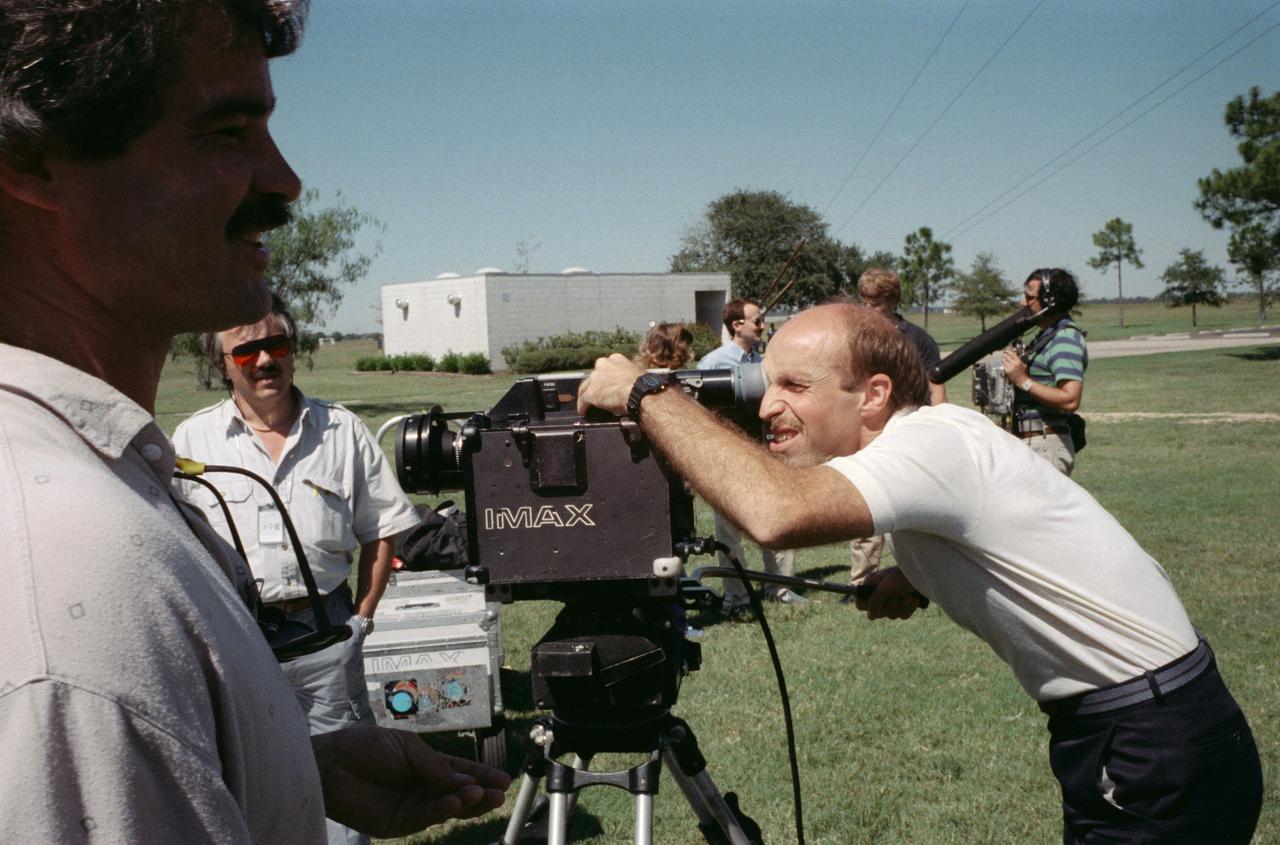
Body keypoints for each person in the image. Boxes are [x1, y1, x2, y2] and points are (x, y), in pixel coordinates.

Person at [0, 2, 508, 842]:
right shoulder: (70, 563)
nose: (283, 181)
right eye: (225, 131)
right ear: (31, 160)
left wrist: (289, 769)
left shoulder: (103, 474)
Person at [577, 303, 1262, 843]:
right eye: (767, 382)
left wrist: (645, 392)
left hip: (1149, 742)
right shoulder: (937, 437)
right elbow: (986, 531)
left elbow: (773, 511)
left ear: (873, 394)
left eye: (794, 385)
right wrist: (914, 574)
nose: (764, 406)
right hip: (1153, 726)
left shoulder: (928, 445)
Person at [173, 296, 423, 845]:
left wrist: (362, 619)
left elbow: (380, 529)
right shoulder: (193, 442)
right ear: (223, 364)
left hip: (327, 630)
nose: (265, 360)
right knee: (246, 779)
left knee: (347, 786)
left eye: (276, 344)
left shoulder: (341, 431)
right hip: (238, 637)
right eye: (246, 351)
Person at [846, 267, 947, 591]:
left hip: (911, 431)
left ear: (891, 301)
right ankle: (861, 580)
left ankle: (916, 578)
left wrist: (937, 428)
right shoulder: (858, 338)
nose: (867, 308)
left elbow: (937, 390)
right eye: (864, 300)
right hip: (870, 432)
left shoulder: (916, 339)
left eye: (874, 302)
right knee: (868, 504)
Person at [698, 299, 801, 614]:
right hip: (728, 459)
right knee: (730, 533)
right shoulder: (712, 363)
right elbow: (700, 415)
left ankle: (781, 588)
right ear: (736, 326)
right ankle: (738, 598)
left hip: (764, 453)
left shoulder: (763, 361)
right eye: (756, 321)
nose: (762, 326)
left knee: (779, 521)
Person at [1001, 268, 1087, 475]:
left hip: (1046, 444)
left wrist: (1023, 380)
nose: (1024, 303)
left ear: (1050, 301)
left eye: (1029, 297)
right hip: (1032, 440)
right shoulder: (1045, 337)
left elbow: (1070, 400)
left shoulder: (1065, 339)